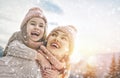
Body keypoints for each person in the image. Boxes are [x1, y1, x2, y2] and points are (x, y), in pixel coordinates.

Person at [0, 7, 47, 78]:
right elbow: (13, 48)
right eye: (33, 24)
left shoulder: (44, 47)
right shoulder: (18, 37)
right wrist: (38, 56)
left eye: (41, 26)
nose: (36, 27)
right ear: (25, 26)